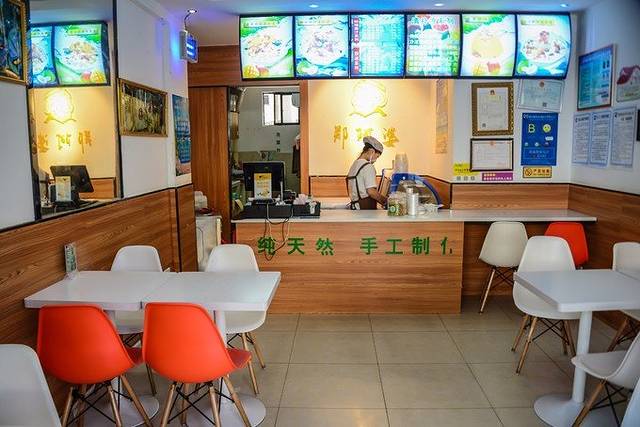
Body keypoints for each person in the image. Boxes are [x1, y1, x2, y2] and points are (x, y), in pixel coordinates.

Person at [346, 136, 387, 210]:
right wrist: (386, 202)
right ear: (371, 151)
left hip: (355, 208)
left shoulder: (354, 165)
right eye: (377, 156)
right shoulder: (367, 166)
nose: (375, 160)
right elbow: (371, 191)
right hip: (365, 209)